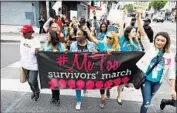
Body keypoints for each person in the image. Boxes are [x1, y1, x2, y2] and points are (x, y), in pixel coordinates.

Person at [136, 11, 176, 113]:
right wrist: (138, 18)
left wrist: (172, 89)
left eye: (162, 41)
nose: (159, 42)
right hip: (146, 80)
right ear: (154, 40)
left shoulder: (170, 55)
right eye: (157, 40)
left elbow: (172, 72)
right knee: (147, 103)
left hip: (158, 82)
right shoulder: (150, 48)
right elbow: (142, 34)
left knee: (147, 102)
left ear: (166, 42)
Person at [69, 27, 96, 110]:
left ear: (84, 36)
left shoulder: (91, 45)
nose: (76, 36)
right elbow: (70, 57)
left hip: (88, 69)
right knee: (78, 85)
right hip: (77, 69)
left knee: (85, 83)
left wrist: (96, 53)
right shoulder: (73, 45)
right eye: (76, 34)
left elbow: (96, 56)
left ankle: (85, 87)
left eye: (79, 35)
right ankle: (78, 101)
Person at [117, 21, 142, 105]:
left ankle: (120, 93)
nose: (135, 33)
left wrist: (132, 41)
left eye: (135, 31)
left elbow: (139, 52)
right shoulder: (123, 39)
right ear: (128, 33)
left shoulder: (136, 42)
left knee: (124, 81)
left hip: (132, 66)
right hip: (122, 64)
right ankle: (116, 94)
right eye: (133, 31)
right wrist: (122, 18)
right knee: (120, 81)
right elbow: (121, 29)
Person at [42, 30, 65, 106]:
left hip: (57, 67)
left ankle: (57, 98)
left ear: (52, 36)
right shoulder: (46, 44)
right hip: (48, 67)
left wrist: (57, 52)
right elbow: (43, 53)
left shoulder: (60, 45)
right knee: (51, 83)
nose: (47, 37)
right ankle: (53, 97)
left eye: (48, 35)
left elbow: (64, 55)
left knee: (56, 83)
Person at [20, 25, 41, 101]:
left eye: (25, 33)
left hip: (33, 65)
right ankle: (34, 91)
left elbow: (38, 52)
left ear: (31, 32)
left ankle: (37, 91)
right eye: (23, 33)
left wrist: (37, 52)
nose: (23, 34)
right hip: (24, 64)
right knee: (29, 81)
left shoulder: (36, 40)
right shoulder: (22, 39)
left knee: (32, 80)